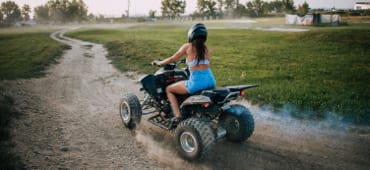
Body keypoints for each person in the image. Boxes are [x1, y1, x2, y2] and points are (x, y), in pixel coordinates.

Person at [152, 23, 216, 123]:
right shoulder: (206, 49)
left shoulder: (188, 47)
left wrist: (159, 63)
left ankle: (178, 116)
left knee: (169, 89)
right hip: (211, 81)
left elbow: (173, 58)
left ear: (191, 35)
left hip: (196, 83)